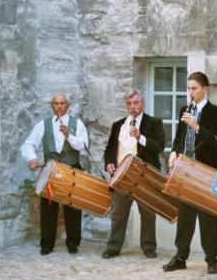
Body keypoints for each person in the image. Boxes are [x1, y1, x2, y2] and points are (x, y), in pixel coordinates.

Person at [162, 72, 217, 274]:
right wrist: (173, 152)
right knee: (185, 215)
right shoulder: (185, 108)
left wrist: (197, 126)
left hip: (206, 170)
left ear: (205, 89)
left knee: (208, 216)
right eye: (188, 88)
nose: (190, 92)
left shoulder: (216, 112)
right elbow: (179, 137)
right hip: (185, 170)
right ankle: (181, 256)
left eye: (194, 88)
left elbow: (215, 141)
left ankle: (212, 259)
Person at [20, 94, 89, 255]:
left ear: (68, 105)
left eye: (62, 103)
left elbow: (83, 145)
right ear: (52, 106)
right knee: (48, 206)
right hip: (50, 169)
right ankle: (47, 244)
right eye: (56, 103)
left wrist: (68, 136)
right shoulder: (43, 125)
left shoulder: (76, 123)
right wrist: (32, 159)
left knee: (73, 207)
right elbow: (28, 144)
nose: (59, 106)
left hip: (72, 167)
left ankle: (73, 243)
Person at [102, 89, 165, 259]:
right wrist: (109, 162)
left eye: (136, 103)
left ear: (142, 103)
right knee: (118, 213)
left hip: (144, 175)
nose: (132, 107)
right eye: (129, 104)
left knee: (147, 213)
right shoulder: (118, 125)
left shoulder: (154, 123)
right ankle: (113, 247)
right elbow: (109, 148)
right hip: (121, 176)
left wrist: (141, 137)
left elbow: (159, 146)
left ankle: (149, 247)